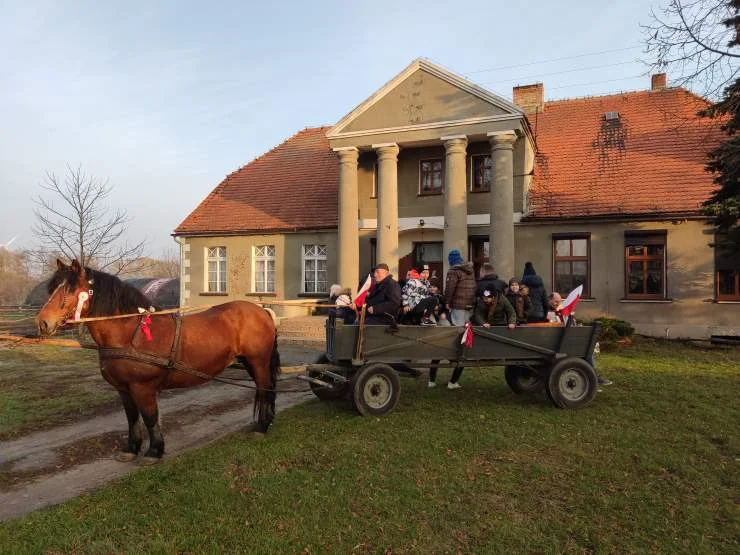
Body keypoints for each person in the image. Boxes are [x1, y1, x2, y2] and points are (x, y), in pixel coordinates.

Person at [443, 249, 476, 326]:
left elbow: (450, 288)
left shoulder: (453, 271)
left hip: (458, 304)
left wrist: (447, 301)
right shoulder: (470, 270)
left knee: (458, 326)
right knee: (467, 327)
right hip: (470, 302)